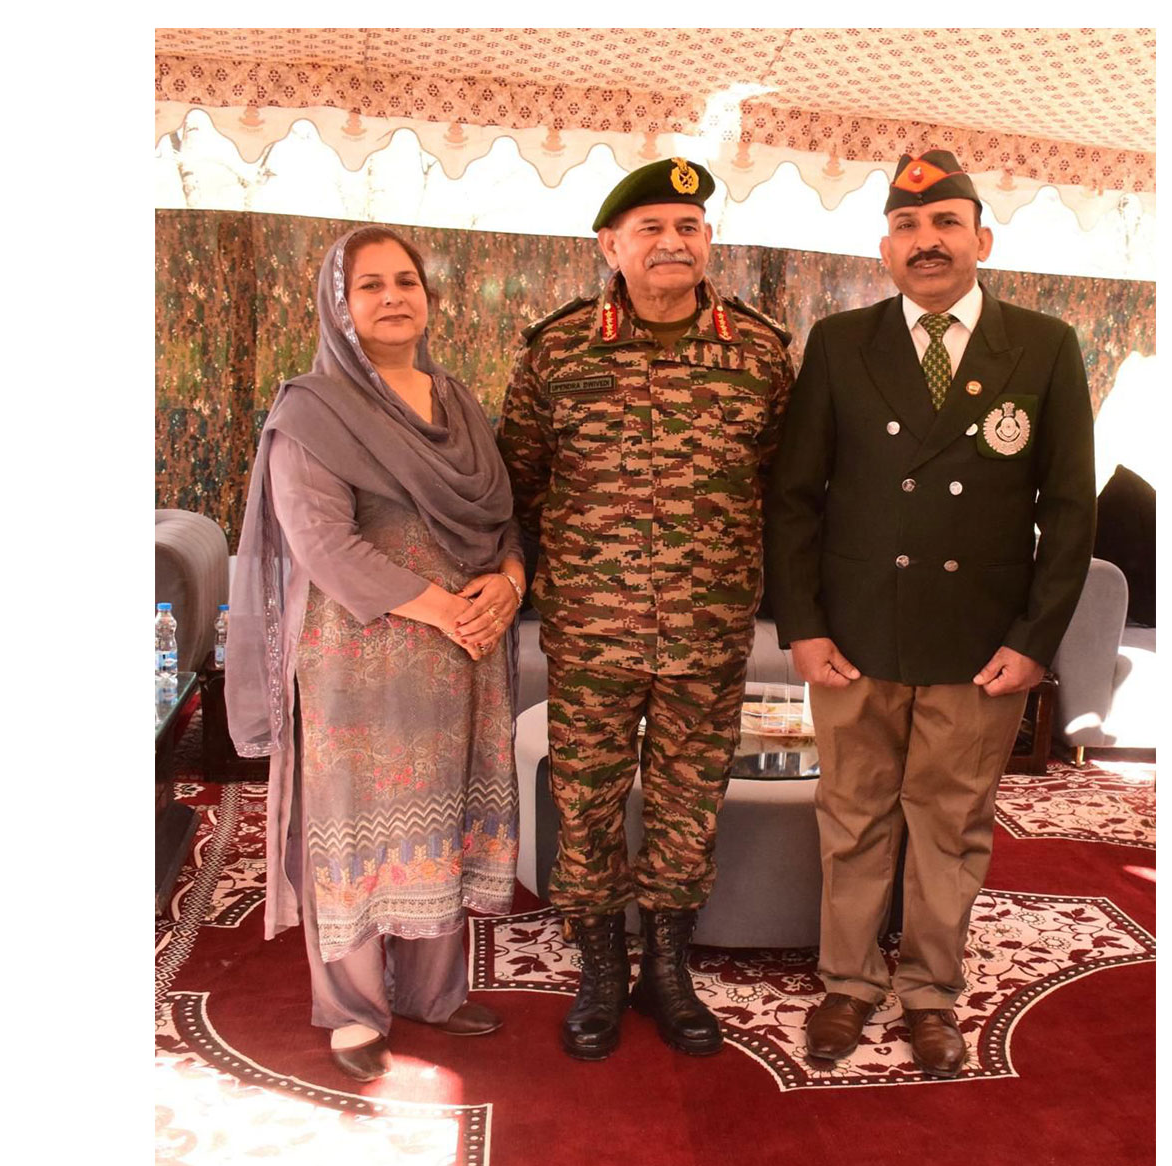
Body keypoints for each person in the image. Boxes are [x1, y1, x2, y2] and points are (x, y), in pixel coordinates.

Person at [764, 150, 1096, 1077]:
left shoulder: (1043, 346)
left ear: (982, 239)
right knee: (853, 816)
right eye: (907, 227)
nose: (927, 241)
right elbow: (795, 498)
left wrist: (1036, 642)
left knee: (950, 824)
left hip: (979, 643)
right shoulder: (841, 342)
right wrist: (803, 625)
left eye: (946, 222)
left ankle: (929, 992)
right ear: (884, 250)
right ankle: (847, 984)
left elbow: (1071, 511)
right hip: (856, 636)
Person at [498, 158, 794, 1060]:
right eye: (651, 229)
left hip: (709, 631)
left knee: (688, 806)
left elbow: (781, 483)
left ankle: (666, 970)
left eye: (689, 227)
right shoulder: (558, 350)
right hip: (593, 632)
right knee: (584, 802)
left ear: (709, 241)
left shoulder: (759, 353)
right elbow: (519, 481)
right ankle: (598, 970)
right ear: (610, 245)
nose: (672, 243)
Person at [225, 225, 527, 1082]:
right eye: (370, 285)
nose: (393, 296)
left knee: (445, 818)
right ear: (339, 305)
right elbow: (322, 543)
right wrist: (449, 610)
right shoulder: (312, 411)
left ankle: (434, 992)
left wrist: (508, 582)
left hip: (463, 653)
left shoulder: (456, 401)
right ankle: (354, 1011)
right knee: (354, 828)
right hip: (363, 658)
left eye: (406, 281)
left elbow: (503, 515)